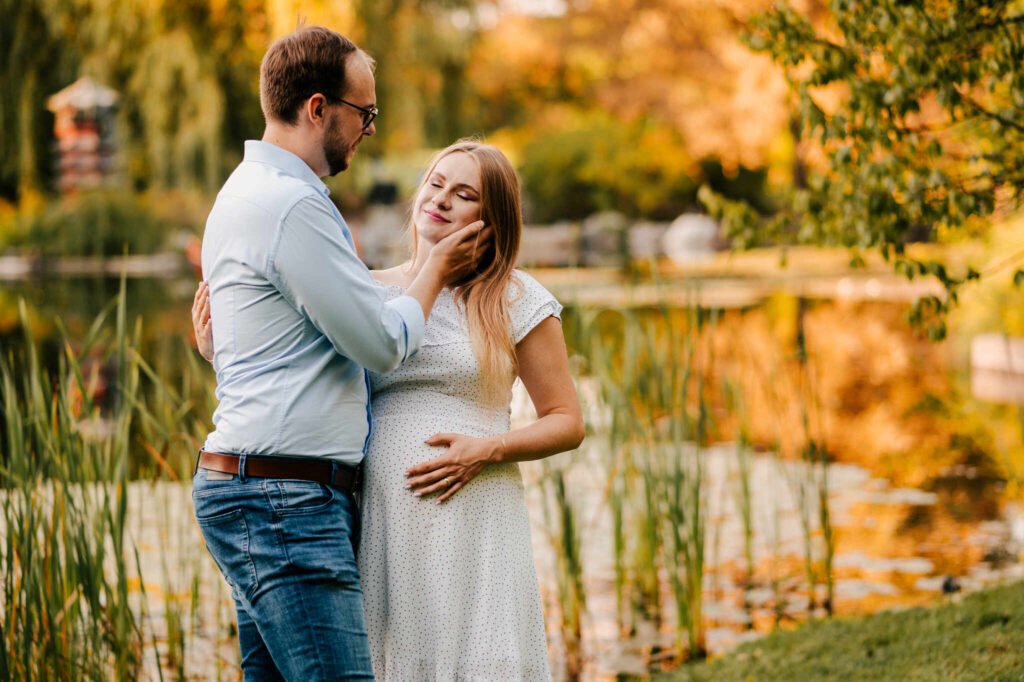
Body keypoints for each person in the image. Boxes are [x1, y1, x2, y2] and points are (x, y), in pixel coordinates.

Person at [195, 140, 585, 680]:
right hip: (381, 521)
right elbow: (302, 378)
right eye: (436, 183)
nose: (442, 199)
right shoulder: (368, 292)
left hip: (476, 518)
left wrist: (489, 448)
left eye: (465, 194)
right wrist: (219, 351)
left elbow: (567, 420)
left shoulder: (515, 299)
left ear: (491, 219)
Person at [191, 27, 487, 681]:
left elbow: (291, 341)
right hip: (282, 499)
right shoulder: (292, 204)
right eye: (365, 112)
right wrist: (435, 270)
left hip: (259, 487)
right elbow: (380, 343)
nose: (371, 129)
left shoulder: (243, 192)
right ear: (319, 108)